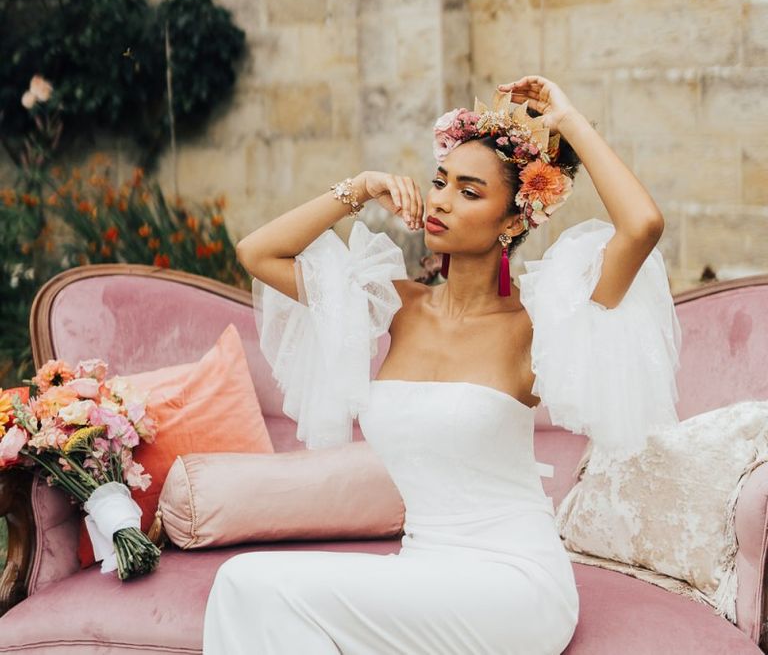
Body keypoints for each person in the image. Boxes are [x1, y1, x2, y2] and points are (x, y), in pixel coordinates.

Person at [202, 75, 682, 654]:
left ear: (512, 223)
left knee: (247, 581)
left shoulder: (536, 324)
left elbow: (643, 226)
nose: (442, 200)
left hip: (513, 583)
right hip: (423, 569)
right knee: (254, 600)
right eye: (440, 181)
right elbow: (258, 252)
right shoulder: (394, 305)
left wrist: (569, 121)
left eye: (470, 192)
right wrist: (361, 186)